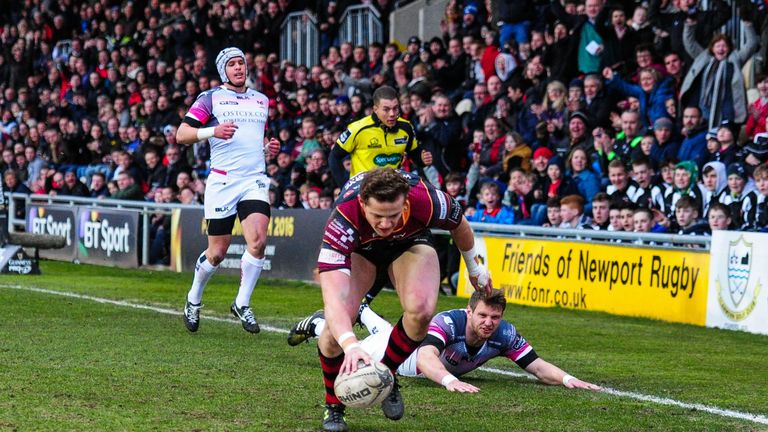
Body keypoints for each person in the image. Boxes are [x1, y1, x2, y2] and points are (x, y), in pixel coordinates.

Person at [313, 168, 491, 432]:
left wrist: (475, 269)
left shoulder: (427, 199)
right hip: (361, 250)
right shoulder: (342, 220)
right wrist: (350, 345)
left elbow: (459, 224)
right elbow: (334, 300)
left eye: (393, 215)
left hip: (410, 242)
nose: (385, 224)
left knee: (421, 312)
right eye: (377, 216)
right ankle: (334, 405)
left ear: (406, 203)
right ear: (362, 203)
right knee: (333, 332)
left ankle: (387, 373)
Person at [289, 290, 600, 394]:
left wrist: (568, 379)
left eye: (495, 317)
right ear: (469, 312)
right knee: (349, 348)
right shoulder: (448, 322)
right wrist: (450, 381)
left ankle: (362, 311)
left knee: (385, 330)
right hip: (401, 358)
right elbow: (426, 358)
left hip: (404, 347)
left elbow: (537, 366)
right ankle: (318, 324)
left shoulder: (504, 334)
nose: (489, 322)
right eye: (482, 315)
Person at [176, 47, 280, 334]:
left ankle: (242, 303)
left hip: (254, 180)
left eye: (241, 63)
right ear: (223, 70)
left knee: (258, 241)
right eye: (232, 64)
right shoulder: (210, 98)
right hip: (223, 182)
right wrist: (213, 131)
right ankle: (193, 298)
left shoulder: (261, 100)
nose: (238, 68)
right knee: (217, 252)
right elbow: (182, 135)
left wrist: (268, 147)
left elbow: (255, 138)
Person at [329, 85, 432, 187]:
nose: (392, 114)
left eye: (395, 108)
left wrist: (422, 159)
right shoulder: (357, 128)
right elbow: (334, 157)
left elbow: (415, 153)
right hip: (364, 190)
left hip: (394, 188)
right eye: (386, 109)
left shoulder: (406, 127)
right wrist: (345, 186)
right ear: (375, 109)